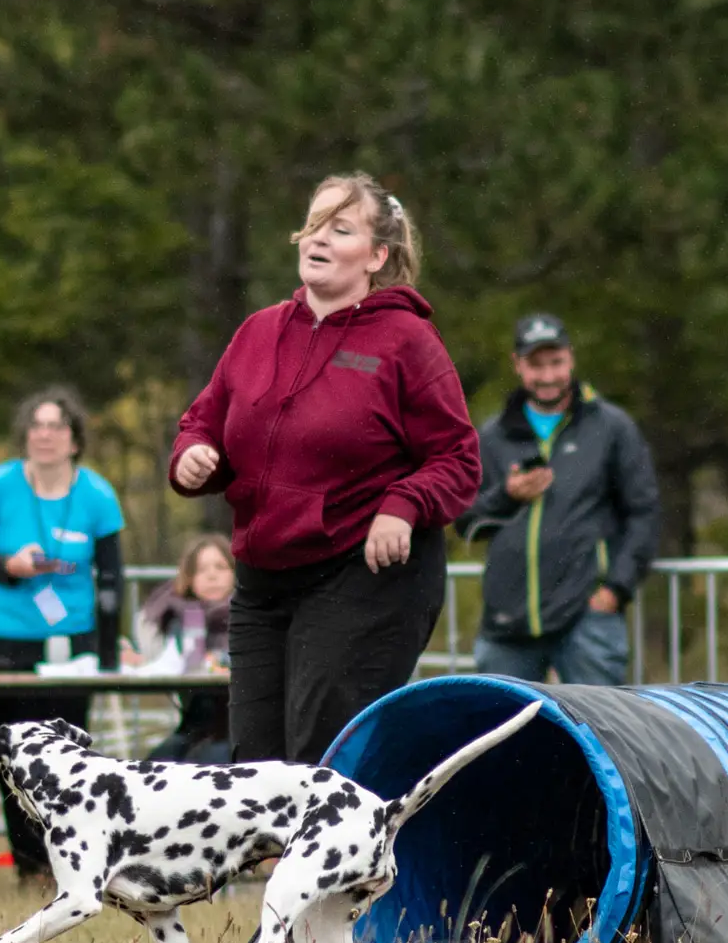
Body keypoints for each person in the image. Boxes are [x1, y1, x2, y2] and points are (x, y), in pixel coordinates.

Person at [170, 172, 481, 766]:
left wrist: (404, 504)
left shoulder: (406, 340)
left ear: (377, 256)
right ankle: (275, 863)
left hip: (362, 575)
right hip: (264, 580)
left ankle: (357, 860)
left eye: (340, 229)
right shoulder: (259, 332)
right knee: (256, 766)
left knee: (321, 757)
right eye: (314, 224)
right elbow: (202, 421)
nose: (318, 238)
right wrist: (193, 456)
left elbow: (458, 458)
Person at [0, 387, 124, 878]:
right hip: (1, 636)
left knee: (66, 760)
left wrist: (108, 652)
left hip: (70, 640)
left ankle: (69, 865)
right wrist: (7, 565)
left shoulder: (96, 493)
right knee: (9, 760)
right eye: (37, 426)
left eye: (56, 426)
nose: (45, 435)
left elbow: (112, 579)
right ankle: (27, 869)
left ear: (75, 440)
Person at [455, 312, 659, 686]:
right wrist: (507, 496)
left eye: (556, 363)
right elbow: (465, 520)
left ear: (571, 359)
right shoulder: (493, 435)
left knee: (600, 737)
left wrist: (616, 589)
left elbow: (644, 513)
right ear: (517, 365)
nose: (548, 376)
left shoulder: (611, 427)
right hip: (506, 623)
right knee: (504, 736)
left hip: (587, 619)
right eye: (536, 365)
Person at [121, 533, 234, 763]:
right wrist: (141, 660)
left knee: (209, 761)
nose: (212, 575)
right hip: (193, 725)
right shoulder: (174, 616)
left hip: (235, 727)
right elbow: (165, 660)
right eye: (202, 570)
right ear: (189, 578)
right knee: (152, 766)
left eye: (220, 567)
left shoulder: (250, 616)